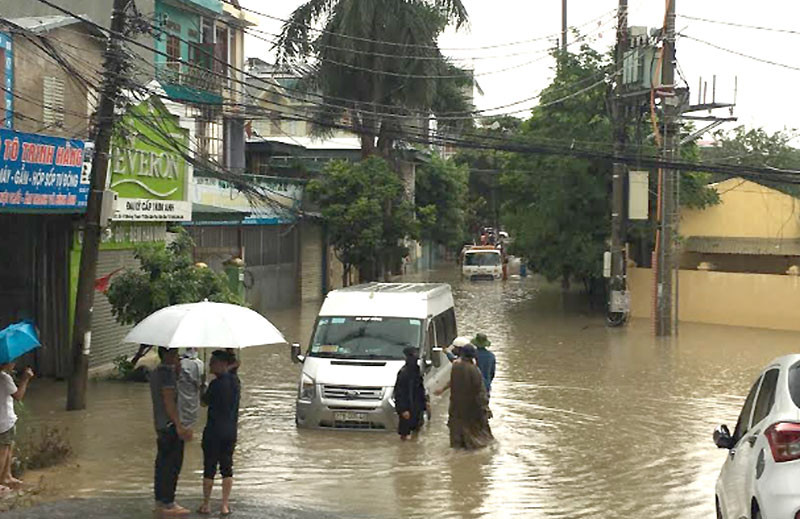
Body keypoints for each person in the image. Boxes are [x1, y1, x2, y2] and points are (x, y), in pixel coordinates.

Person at [151, 347, 192, 517]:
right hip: (170, 425)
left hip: (160, 424)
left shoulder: (156, 372)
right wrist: (179, 425)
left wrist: (178, 373)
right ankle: (168, 502)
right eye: (175, 354)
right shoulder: (167, 374)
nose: (178, 357)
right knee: (172, 465)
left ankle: (161, 501)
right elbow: (169, 401)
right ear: (167, 355)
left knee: (162, 464)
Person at [198, 350, 240, 516]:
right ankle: (224, 505)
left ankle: (206, 504)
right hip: (230, 432)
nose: (210, 365)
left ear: (222, 364)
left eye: (213, 362)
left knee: (209, 467)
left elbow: (204, 403)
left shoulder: (215, 384)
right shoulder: (236, 382)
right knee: (227, 467)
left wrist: (202, 388)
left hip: (213, 432)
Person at [447, 345, 494, 450]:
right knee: (478, 440)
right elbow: (480, 393)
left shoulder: (455, 367)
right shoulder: (474, 370)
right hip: (472, 410)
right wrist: (486, 408)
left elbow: (453, 385)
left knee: (456, 442)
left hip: (456, 409)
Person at [0, 361, 33, 490]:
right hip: (4, 421)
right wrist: (25, 379)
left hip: (5, 421)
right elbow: (18, 396)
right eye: (11, 361)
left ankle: (6, 476)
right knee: (3, 451)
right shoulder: (4, 378)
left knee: (9, 447)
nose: (14, 363)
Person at [393, 347, 428, 440]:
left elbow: (420, 389)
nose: (415, 357)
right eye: (413, 355)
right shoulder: (403, 373)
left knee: (417, 430)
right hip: (407, 408)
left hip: (417, 408)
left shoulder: (416, 371)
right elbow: (399, 393)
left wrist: (425, 403)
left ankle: (414, 446)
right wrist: (403, 410)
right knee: (404, 433)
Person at [177, 348, 204, 431]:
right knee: (189, 425)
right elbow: (200, 385)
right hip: (191, 401)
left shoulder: (179, 363)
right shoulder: (199, 364)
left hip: (179, 399)